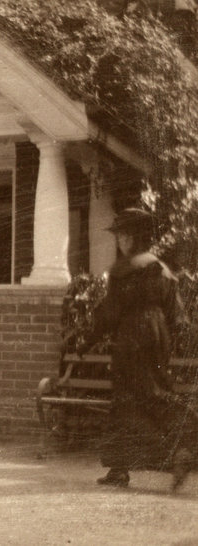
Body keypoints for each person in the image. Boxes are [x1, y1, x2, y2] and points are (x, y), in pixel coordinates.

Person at [91, 207, 196, 491]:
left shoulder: (124, 269)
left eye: (121, 235)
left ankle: (189, 444)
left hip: (131, 337)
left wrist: (90, 335)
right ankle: (120, 467)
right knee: (147, 395)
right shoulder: (163, 270)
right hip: (157, 335)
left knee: (136, 397)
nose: (119, 241)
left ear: (130, 237)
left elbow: (110, 312)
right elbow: (178, 317)